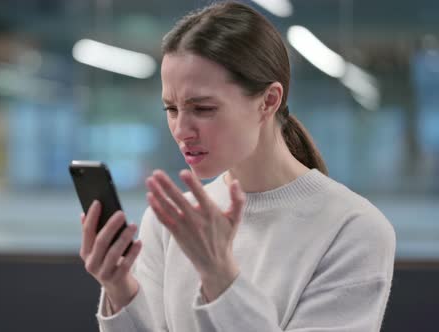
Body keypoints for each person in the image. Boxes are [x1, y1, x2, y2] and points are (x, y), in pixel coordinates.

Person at [79, 2, 396, 331]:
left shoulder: (354, 230)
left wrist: (220, 275)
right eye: (171, 109)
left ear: (269, 101)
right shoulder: (172, 221)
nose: (181, 130)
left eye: (202, 108)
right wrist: (120, 290)